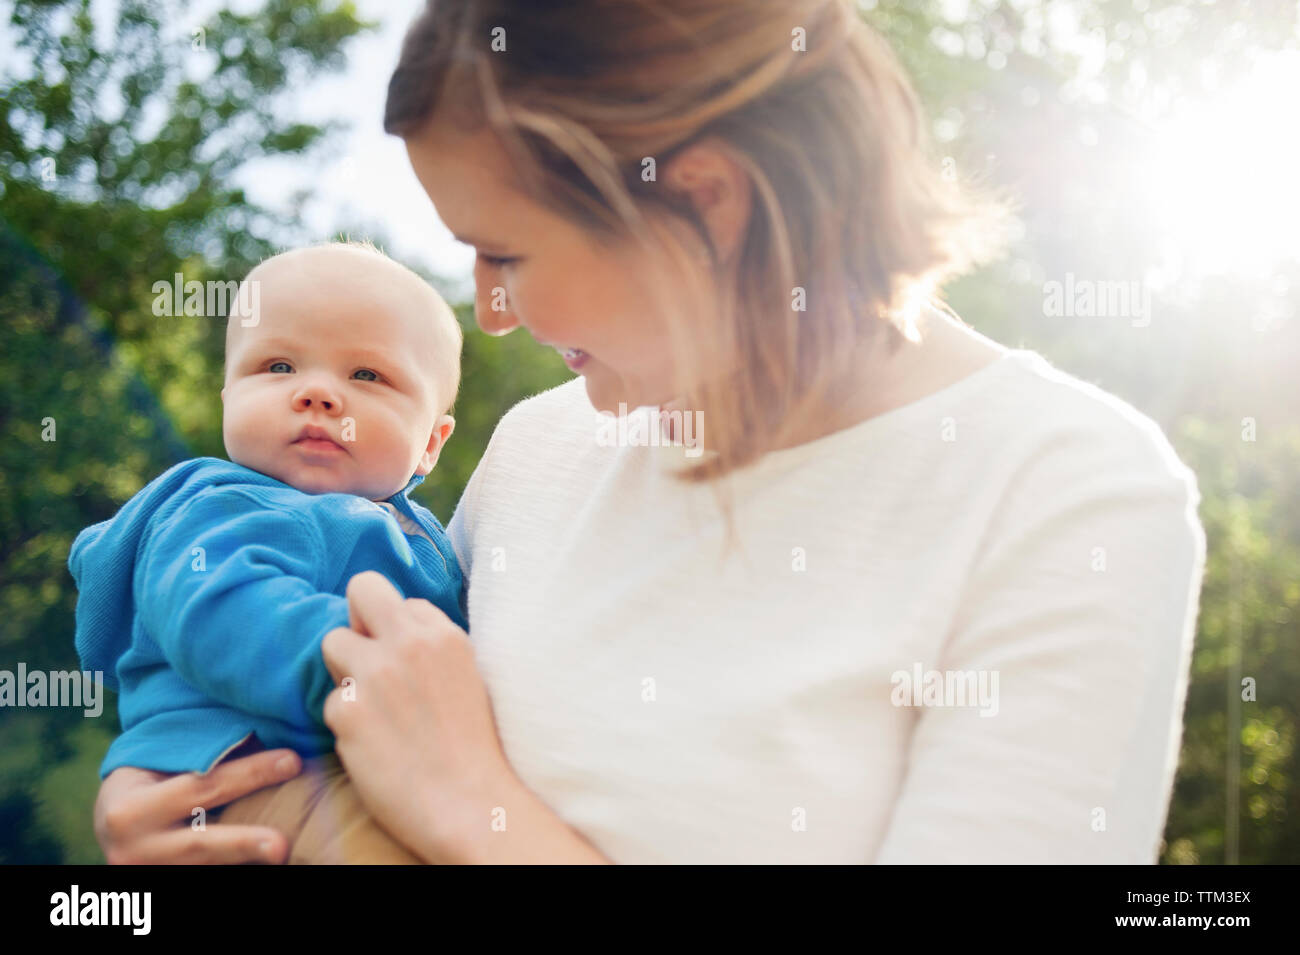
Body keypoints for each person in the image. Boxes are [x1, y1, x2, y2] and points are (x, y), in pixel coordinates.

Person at [92, 0, 1206, 864]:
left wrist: (477, 809)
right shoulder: (538, 447)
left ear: (705, 202)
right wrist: (158, 812)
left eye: (507, 253)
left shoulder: (1069, 496)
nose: (491, 310)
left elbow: (434, 769)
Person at [74, 242, 465, 863]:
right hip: (245, 771)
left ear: (431, 445)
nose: (316, 393)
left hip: (346, 763)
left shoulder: (419, 535)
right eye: (279, 366)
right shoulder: (221, 505)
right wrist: (355, 666)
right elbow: (217, 609)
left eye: (366, 375)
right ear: (228, 395)